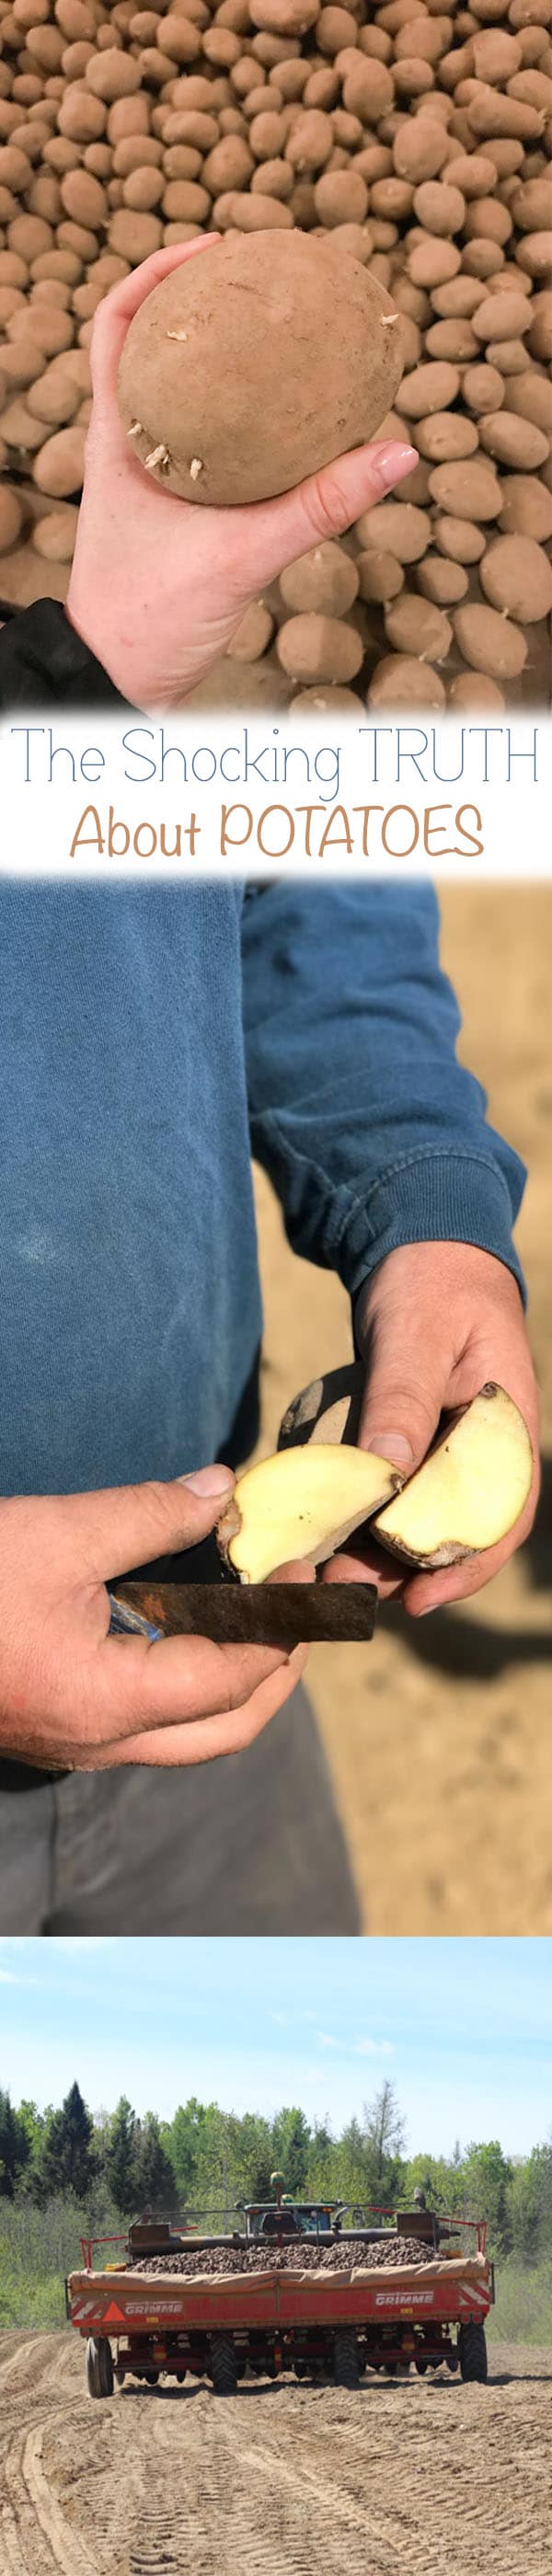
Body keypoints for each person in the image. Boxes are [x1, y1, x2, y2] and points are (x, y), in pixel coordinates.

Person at [0, 247, 540, 1936]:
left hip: (206, 1635)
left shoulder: (124, 615)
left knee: (299, 2160)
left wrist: (420, 1207)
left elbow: (296, 875)